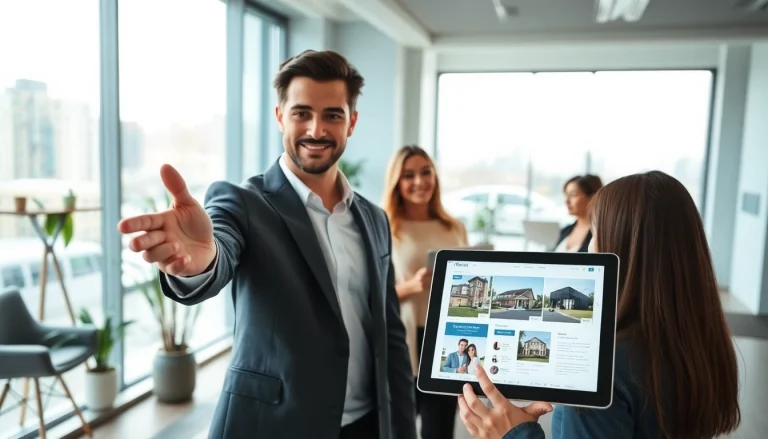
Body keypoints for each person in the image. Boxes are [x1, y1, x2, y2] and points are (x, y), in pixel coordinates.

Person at [117, 50, 416, 439]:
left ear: (352, 122)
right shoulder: (242, 202)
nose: (316, 129)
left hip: (366, 425)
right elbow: (218, 252)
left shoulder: (374, 219)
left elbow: (390, 335)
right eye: (301, 113)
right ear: (280, 117)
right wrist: (198, 264)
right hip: (274, 426)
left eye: (332, 115)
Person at [458, 171, 741, 439]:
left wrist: (513, 434)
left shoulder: (604, 366)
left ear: (622, 248)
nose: (590, 246)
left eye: (595, 232)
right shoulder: (697, 342)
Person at [382, 145, 468, 439]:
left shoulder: (453, 227)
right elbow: (369, 294)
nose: (419, 181)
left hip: (445, 340)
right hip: (403, 340)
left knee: (440, 429)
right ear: (397, 182)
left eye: (425, 172)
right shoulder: (386, 227)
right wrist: (410, 286)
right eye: (408, 175)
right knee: (398, 430)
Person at [553, 174, 602, 253]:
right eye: (566, 194)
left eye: (573, 194)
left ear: (593, 197)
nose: (566, 200)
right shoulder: (565, 230)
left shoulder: (600, 234)